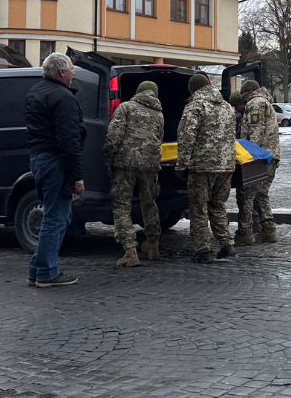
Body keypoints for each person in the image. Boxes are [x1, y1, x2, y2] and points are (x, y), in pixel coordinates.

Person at [24, 52, 85, 288]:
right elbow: (68, 140)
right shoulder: (63, 97)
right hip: (56, 161)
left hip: (38, 159)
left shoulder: (35, 92)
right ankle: (47, 273)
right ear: (61, 72)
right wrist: (76, 176)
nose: (73, 72)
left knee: (56, 215)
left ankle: (36, 270)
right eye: (71, 68)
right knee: (56, 218)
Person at [103, 80, 165, 267]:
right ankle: (153, 244)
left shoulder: (126, 108)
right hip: (150, 165)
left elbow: (113, 136)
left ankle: (130, 250)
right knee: (150, 204)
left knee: (122, 205)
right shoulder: (159, 114)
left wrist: (108, 160)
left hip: (126, 164)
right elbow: (159, 138)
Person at [176, 73, 236, 263]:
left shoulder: (195, 106)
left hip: (202, 166)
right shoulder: (226, 106)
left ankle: (203, 250)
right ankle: (227, 243)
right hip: (226, 165)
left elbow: (187, 137)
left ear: (192, 89)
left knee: (199, 208)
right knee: (218, 206)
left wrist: (181, 165)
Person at [234, 80, 280, 245]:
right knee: (260, 195)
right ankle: (268, 230)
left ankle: (245, 233)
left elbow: (255, 133)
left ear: (247, 92)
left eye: (242, 94)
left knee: (247, 195)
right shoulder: (265, 102)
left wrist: (249, 159)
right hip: (269, 156)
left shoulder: (256, 104)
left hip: (258, 158)